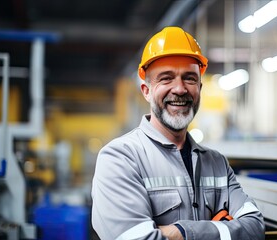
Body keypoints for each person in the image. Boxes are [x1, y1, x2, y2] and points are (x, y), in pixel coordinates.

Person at [91, 26, 265, 240]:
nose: (180, 89)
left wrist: (180, 232)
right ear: (146, 91)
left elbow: (255, 229)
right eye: (166, 78)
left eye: (189, 78)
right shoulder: (121, 158)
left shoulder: (217, 163)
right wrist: (220, 229)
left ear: (200, 88)